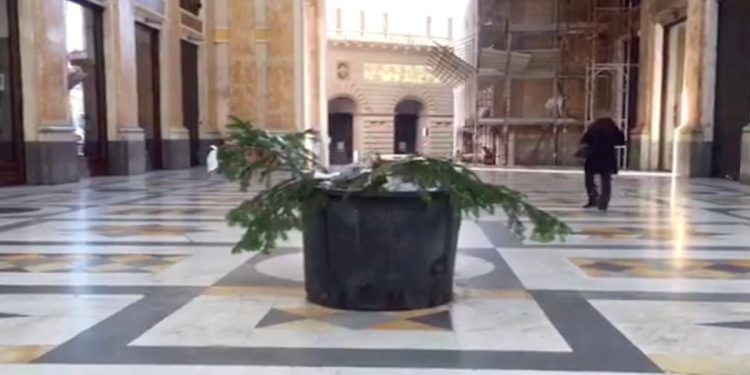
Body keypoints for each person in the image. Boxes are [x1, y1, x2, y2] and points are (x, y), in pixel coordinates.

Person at [579, 117, 625, 211]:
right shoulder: (613, 130)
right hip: (608, 158)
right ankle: (604, 202)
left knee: (589, 179)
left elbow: (584, 141)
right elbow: (621, 142)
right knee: (606, 181)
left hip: (593, 156)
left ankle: (593, 197)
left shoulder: (593, 129)